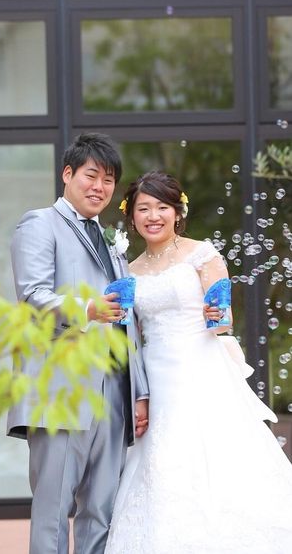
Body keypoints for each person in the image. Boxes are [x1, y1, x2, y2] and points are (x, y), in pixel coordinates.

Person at [105, 170, 292, 553]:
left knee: (216, 455)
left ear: (177, 212)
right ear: (131, 215)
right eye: (144, 208)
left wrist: (216, 314)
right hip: (157, 375)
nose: (153, 216)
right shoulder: (129, 270)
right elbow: (133, 335)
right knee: (161, 461)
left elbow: (223, 319)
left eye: (162, 207)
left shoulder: (202, 254)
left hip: (201, 368)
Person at [7, 132, 150, 554]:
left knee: (102, 512)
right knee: (53, 511)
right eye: (91, 175)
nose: (99, 187)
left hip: (114, 394)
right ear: (67, 174)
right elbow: (32, 296)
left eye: (108, 180)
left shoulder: (112, 242)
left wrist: (139, 392)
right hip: (61, 390)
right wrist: (86, 309)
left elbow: (129, 324)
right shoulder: (39, 223)